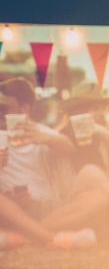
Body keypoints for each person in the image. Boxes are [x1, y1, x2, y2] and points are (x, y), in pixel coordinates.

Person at [0, 77, 103, 249]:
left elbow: (69, 148)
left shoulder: (42, 132)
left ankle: (24, 237)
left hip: (45, 208)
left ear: (24, 109)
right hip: (9, 208)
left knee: (97, 197)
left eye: (4, 108)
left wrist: (46, 139)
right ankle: (50, 237)